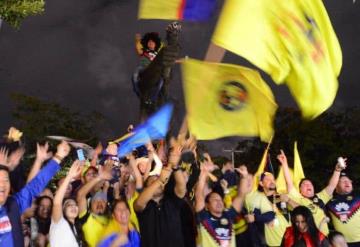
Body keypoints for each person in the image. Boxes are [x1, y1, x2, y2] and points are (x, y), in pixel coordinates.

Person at [0, 141, 70, 247]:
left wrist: (58, 157)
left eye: (6, 179)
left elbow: (34, 186)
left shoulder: (13, 204)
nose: (2, 184)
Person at [277, 150, 346, 235]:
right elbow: (289, 183)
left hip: (324, 238)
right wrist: (284, 163)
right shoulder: (298, 198)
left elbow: (331, 186)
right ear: (300, 191)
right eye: (304, 184)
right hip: (307, 239)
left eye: (310, 184)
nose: (308, 185)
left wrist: (337, 170)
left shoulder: (320, 197)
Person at [134, 137, 186, 247]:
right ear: (146, 187)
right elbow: (139, 203)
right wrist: (160, 180)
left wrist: (175, 166)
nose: (156, 181)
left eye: (157, 179)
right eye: (152, 181)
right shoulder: (143, 205)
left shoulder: (172, 201)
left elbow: (181, 188)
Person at [195, 153, 251, 247]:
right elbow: (198, 195)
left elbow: (241, 196)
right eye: (215, 200)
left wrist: (244, 177)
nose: (219, 202)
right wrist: (204, 173)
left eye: (220, 200)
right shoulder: (203, 217)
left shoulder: (229, 215)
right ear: (207, 205)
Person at [245, 171, 291, 247]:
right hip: (273, 243)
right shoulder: (258, 199)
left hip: (290, 241)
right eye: (267, 179)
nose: (272, 181)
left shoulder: (283, 196)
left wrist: (289, 200)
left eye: (273, 179)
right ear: (261, 183)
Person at [50, 160, 87, 247]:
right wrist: (69, 176)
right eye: (69, 205)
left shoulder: (78, 229)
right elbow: (57, 203)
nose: (74, 207)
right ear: (62, 210)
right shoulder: (59, 223)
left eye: (75, 205)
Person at [76, 161, 113, 247]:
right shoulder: (86, 217)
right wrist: (99, 177)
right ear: (90, 204)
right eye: (96, 201)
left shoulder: (112, 219)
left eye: (103, 202)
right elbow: (81, 195)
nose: (100, 203)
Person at [326, 174, 360, 246]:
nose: (347, 183)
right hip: (341, 243)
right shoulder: (329, 201)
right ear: (336, 185)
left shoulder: (358, 196)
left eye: (348, 181)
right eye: (343, 181)